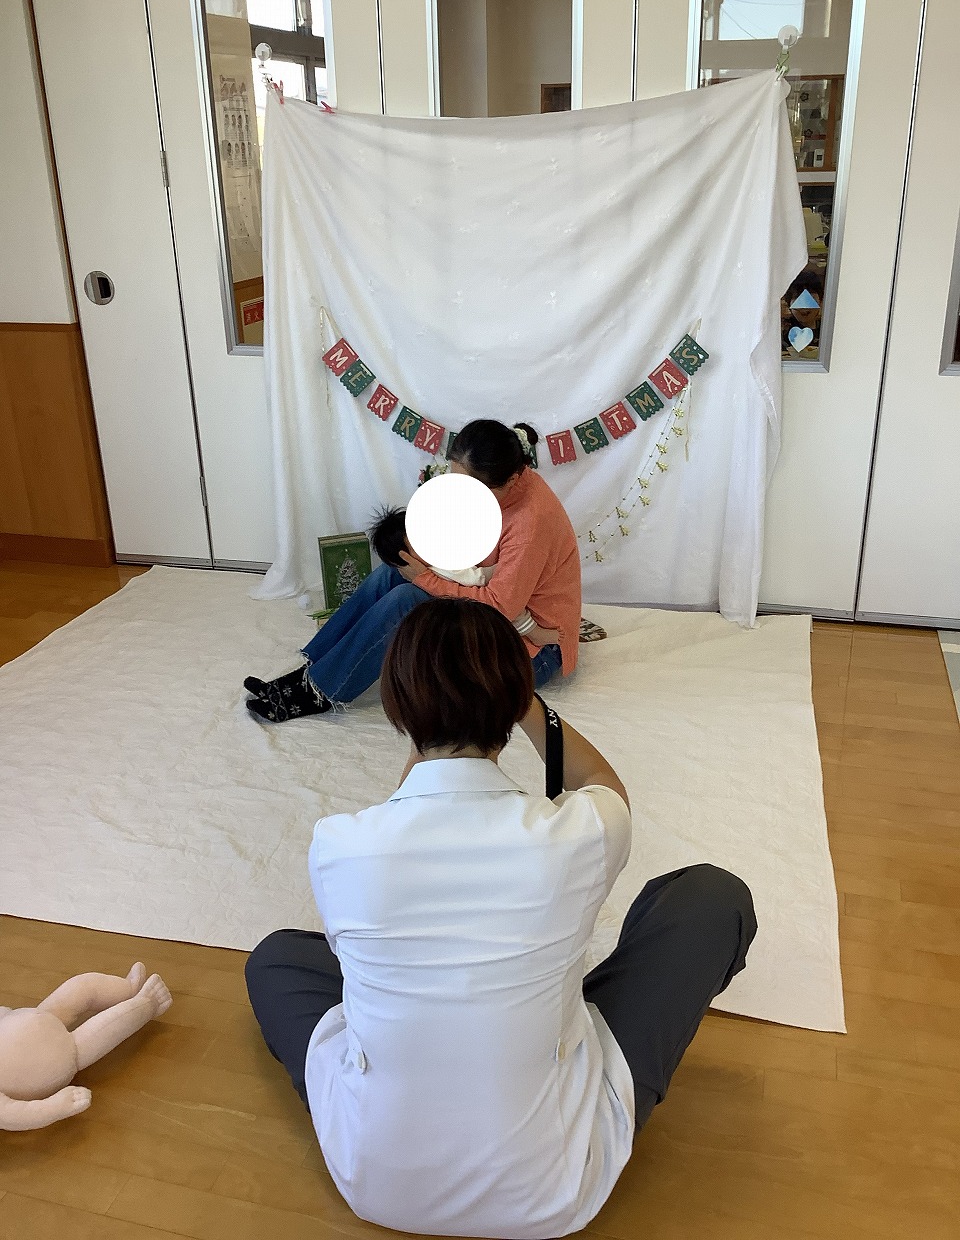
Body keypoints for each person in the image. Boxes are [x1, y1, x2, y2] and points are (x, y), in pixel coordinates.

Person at [245, 599, 758, 1239]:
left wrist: (436, 720)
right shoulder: (583, 832)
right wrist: (524, 703)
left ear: (398, 709)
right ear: (514, 703)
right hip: (552, 1191)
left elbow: (405, 822)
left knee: (277, 957)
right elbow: (601, 780)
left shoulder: (338, 845)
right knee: (710, 897)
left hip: (375, 1182)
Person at [244, 418, 580, 722]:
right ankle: (315, 666)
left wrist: (424, 577)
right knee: (393, 570)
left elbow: (499, 607)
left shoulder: (530, 523)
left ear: (512, 479)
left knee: (407, 598)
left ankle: (322, 690)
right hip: (498, 605)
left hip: (530, 650)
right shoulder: (495, 486)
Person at [369, 503, 561, 648]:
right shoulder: (440, 568)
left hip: (473, 600)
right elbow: (476, 579)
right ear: (406, 558)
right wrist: (506, 567)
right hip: (476, 604)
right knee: (512, 605)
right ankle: (534, 633)